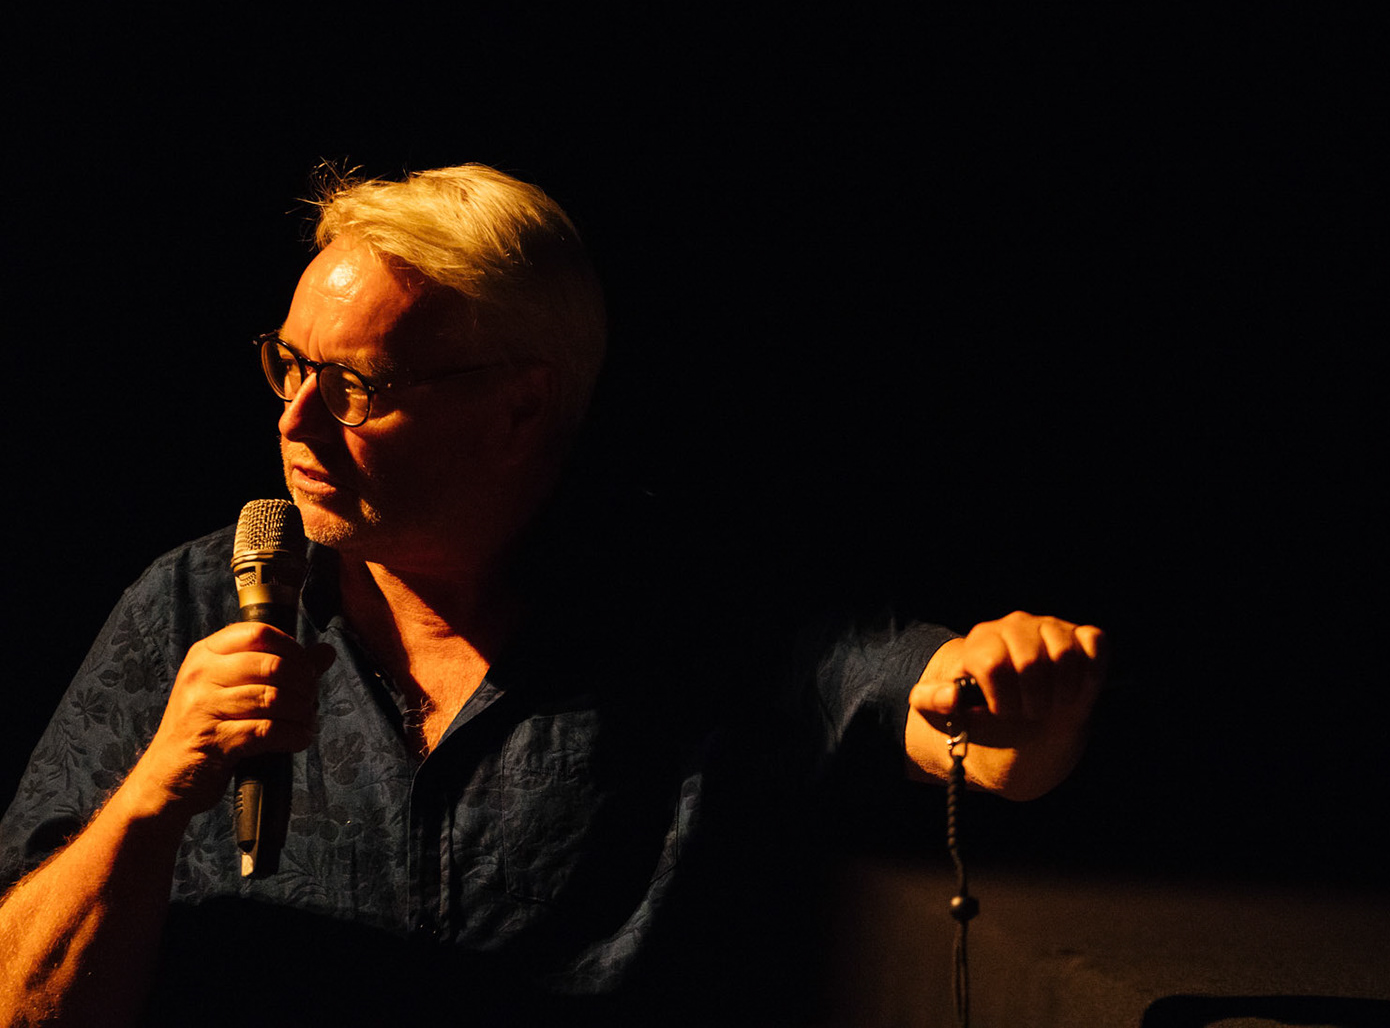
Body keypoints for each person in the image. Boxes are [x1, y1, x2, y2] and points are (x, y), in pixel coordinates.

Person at [0, 164, 1106, 1025]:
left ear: (522, 408)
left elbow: (962, 725)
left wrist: (1017, 695)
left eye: (354, 387)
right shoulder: (194, 604)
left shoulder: (686, 608)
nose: (294, 421)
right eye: (287, 366)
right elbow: (19, 1000)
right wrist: (150, 800)